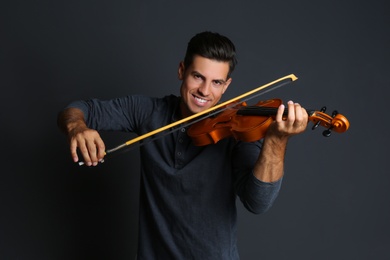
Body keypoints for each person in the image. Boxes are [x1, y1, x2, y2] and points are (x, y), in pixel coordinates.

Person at [57, 31, 308, 259]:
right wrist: (77, 127)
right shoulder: (147, 112)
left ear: (227, 86)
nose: (205, 91)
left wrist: (276, 140)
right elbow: (78, 110)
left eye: (216, 82)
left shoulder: (237, 129)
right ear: (181, 70)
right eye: (197, 76)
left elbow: (258, 202)